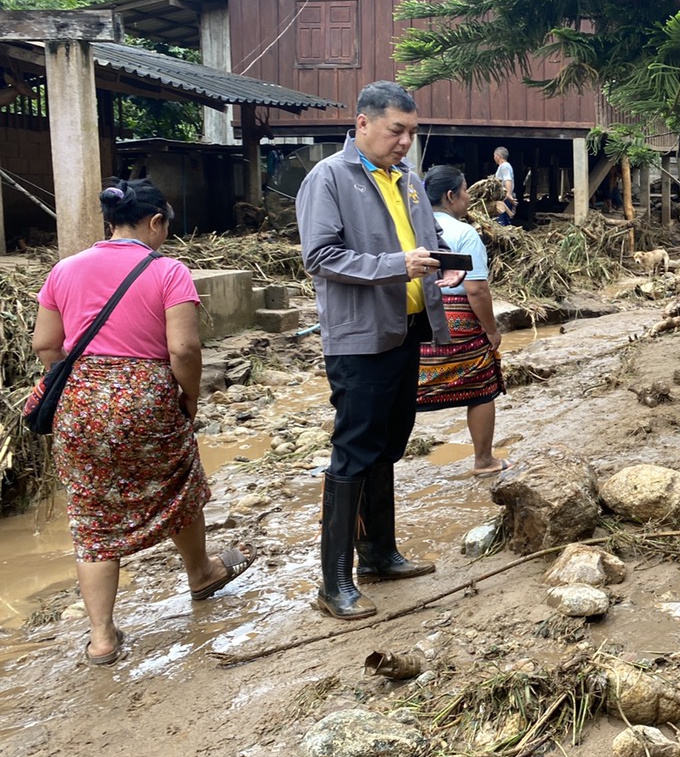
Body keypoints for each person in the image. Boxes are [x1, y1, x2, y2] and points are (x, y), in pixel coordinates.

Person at [31, 178, 256, 666]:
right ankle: (200, 574)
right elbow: (184, 349)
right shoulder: (169, 271)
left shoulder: (64, 269)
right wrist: (188, 398)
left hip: (80, 402)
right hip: (148, 397)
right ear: (156, 221)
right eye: (166, 227)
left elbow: (47, 346)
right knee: (180, 484)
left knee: (91, 516)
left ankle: (102, 637)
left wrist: (90, 381)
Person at [297, 81, 465, 620]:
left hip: (407, 327)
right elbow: (320, 256)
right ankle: (334, 582)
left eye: (412, 133)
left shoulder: (408, 181)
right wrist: (398, 266)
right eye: (397, 131)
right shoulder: (328, 178)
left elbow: (417, 247)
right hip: (360, 338)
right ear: (363, 123)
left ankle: (378, 554)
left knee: (389, 443)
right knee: (354, 449)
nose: (405, 143)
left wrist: (442, 261)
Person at [418, 166, 509, 475]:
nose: (469, 197)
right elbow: (477, 290)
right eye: (466, 191)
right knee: (483, 386)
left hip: (414, 318)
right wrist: (491, 331)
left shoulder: (409, 228)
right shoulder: (464, 233)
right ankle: (484, 460)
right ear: (450, 196)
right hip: (457, 321)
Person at [492, 146, 517, 225]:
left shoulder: (504, 166)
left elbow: (507, 180)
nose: (494, 158)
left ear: (498, 156)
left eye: (494, 155)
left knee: (502, 223)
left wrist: (508, 194)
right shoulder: (506, 166)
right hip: (504, 198)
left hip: (504, 199)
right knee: (506, 221)